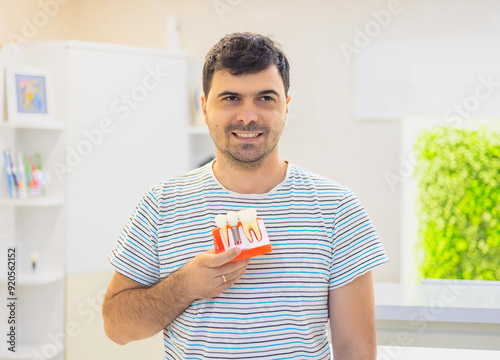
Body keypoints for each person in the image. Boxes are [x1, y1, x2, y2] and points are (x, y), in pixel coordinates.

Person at [102, 32, 389, 360]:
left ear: (286, 106)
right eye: (231, 98)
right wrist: (185, 285)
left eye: (265, 98)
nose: (248, 116)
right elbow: (117, 327)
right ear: (204, 107)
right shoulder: (162, 204)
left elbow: (356, 350)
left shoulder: (337, 209)